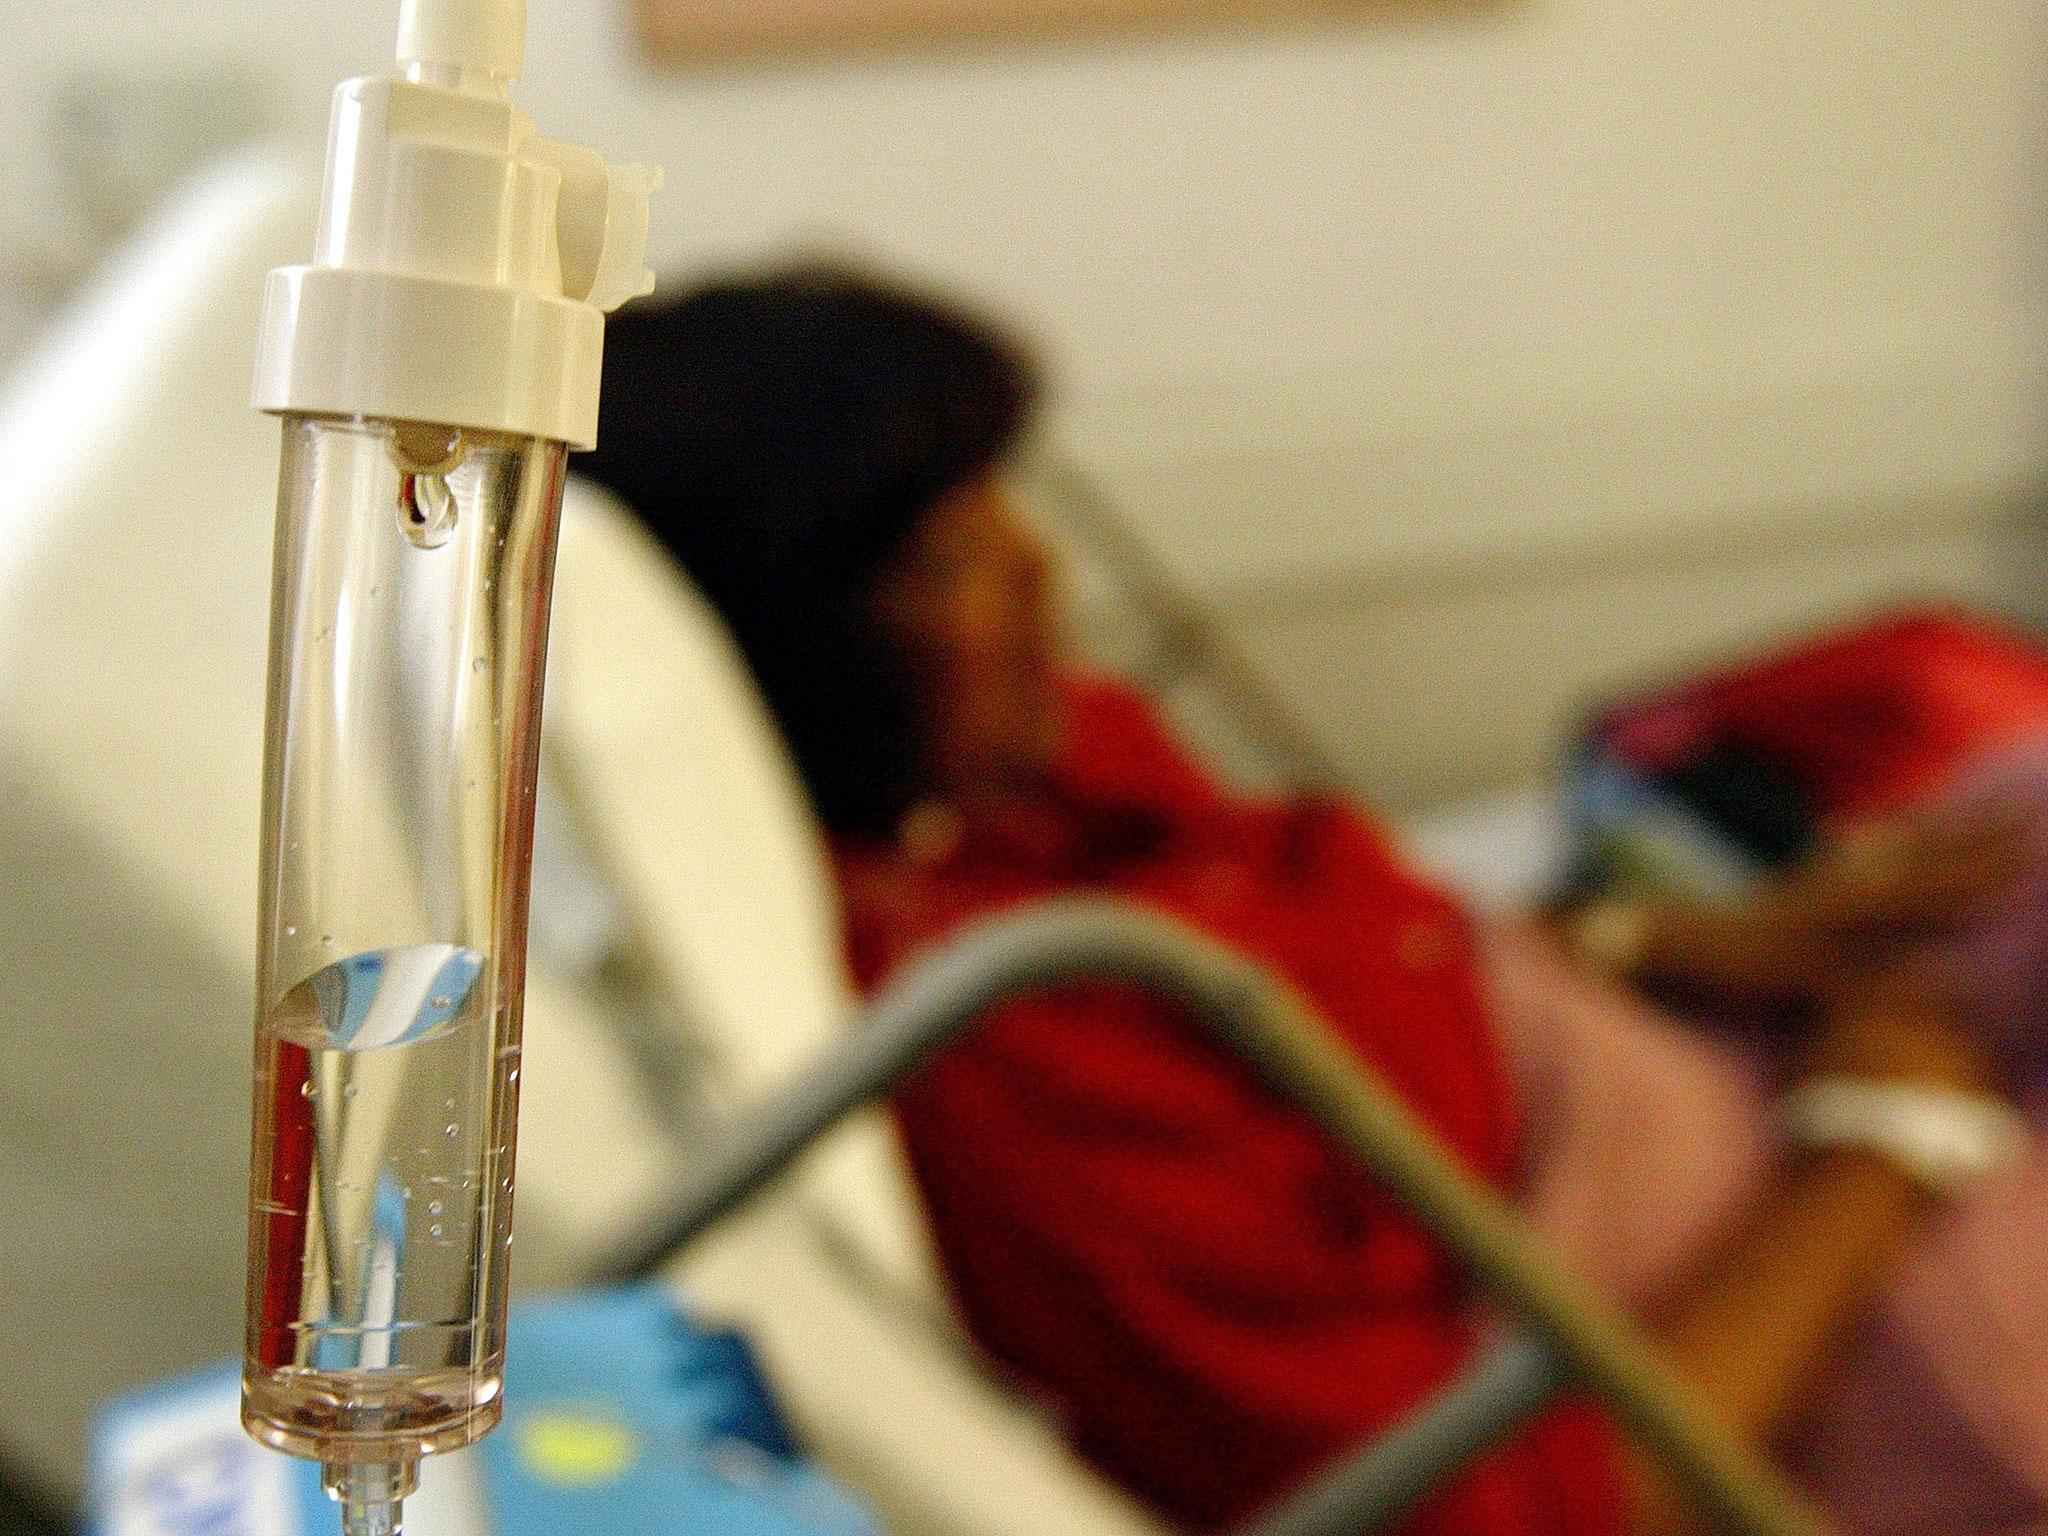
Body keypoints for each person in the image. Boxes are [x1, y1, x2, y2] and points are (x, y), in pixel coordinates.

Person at [581, 267, 2044, 1535]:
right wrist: (1875, 1145)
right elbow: (1547, 1508)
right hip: (1832, 1296)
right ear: (794, 647)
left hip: (1721, 1058)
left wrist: (1656, 939)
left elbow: (1333, 946)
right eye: (953, 558)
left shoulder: (1002, 783)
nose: (1045, 569)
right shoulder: (1018, 1049)